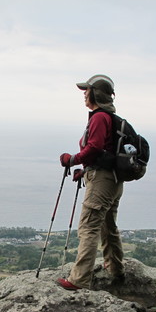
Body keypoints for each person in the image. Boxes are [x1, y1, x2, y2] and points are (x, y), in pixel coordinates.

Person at [57, 74, 126, 290]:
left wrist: (72, 161)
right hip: (114, 180)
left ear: (96, 93)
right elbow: (102, 152)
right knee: (108, 226)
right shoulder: (110, 118)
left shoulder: (98, 117)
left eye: (87, 90)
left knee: (88, 227)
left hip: (102, 181)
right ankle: (116, 269)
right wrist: (84, 170)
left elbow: (94, 148)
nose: (85, 94)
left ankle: (79, 280)